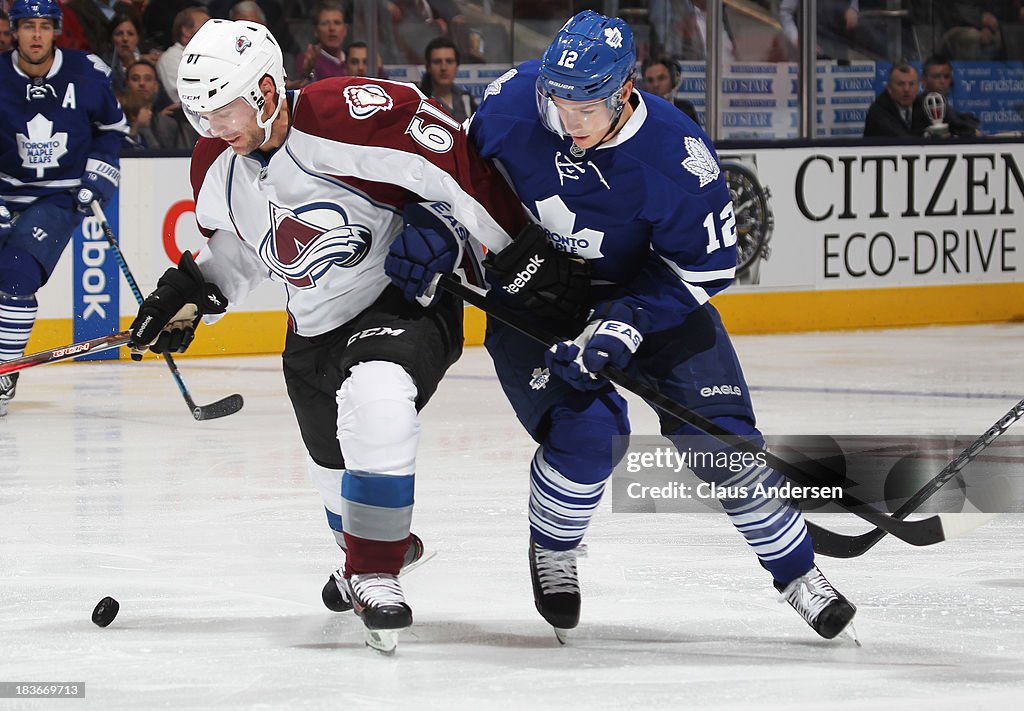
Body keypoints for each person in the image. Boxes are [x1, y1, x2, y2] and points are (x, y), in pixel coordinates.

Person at [386, 10, 858, 642]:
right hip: (536, 298)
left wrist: (628, 322)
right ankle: (555, 549)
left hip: (648, 299)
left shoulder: (677, 155)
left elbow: (708, 267)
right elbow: (461, 181)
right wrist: (437, 226)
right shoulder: (513, 102)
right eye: (558, 103)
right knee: (590, 436)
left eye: (586, 110)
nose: (567, 122)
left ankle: (799, 574)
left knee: (724, 442)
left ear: (625, 92)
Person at [124, 18, 546, 654]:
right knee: (334, 475)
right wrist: (191, 291)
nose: (211, 129)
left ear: (267, 90)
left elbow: (462, 177)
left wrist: (510, 261)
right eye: (198, 116)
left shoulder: (352, 119)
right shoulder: (217, 161)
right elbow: (245, 249)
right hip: (313, 329)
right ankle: (378, 547)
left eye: (222, 111)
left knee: (376, 400)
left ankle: (374, 569)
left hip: (400, 300)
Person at [0, 0, 127, 416]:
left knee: (17, 277)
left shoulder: (86, 72)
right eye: (27, 27)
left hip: (60, 196)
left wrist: (98, 178)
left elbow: (111, 128)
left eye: (44, 26)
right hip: (4, 191)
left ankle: (3, 372)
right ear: (13, 30)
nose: (36, 35)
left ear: (56, 30)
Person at [156, 4, 208, 102]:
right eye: (205, 25)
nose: (212, 30)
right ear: (186, 31)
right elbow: (186, 95)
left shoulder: (211, 55)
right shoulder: (171, 58)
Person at [418, 36, 475, 124]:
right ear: (428, 67)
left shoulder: (466, 98)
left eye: (449, 61)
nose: (444, 68)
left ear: (457, 66)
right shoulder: (418, 99)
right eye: (437, 62)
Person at [920, 55, 981, 137]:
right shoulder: (927, 104)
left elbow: (959, 120)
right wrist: (972, 131)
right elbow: (957, 125)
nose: (942, 81)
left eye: (946, 77)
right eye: (936, 77)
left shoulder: (943, 104)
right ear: (924, 81)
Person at [863, 61, 928, 137]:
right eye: (901, 84)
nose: (907, 89)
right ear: (889, 88)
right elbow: (901, 139)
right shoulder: (878, 111)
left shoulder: (925, 107)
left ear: (918, 87)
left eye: (911, 84)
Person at [641, 56, 699, 123]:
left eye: (661, 78)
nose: (655, 85)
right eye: (650, 80)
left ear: (673, 80)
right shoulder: (639, 112)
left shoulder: (686, 110)